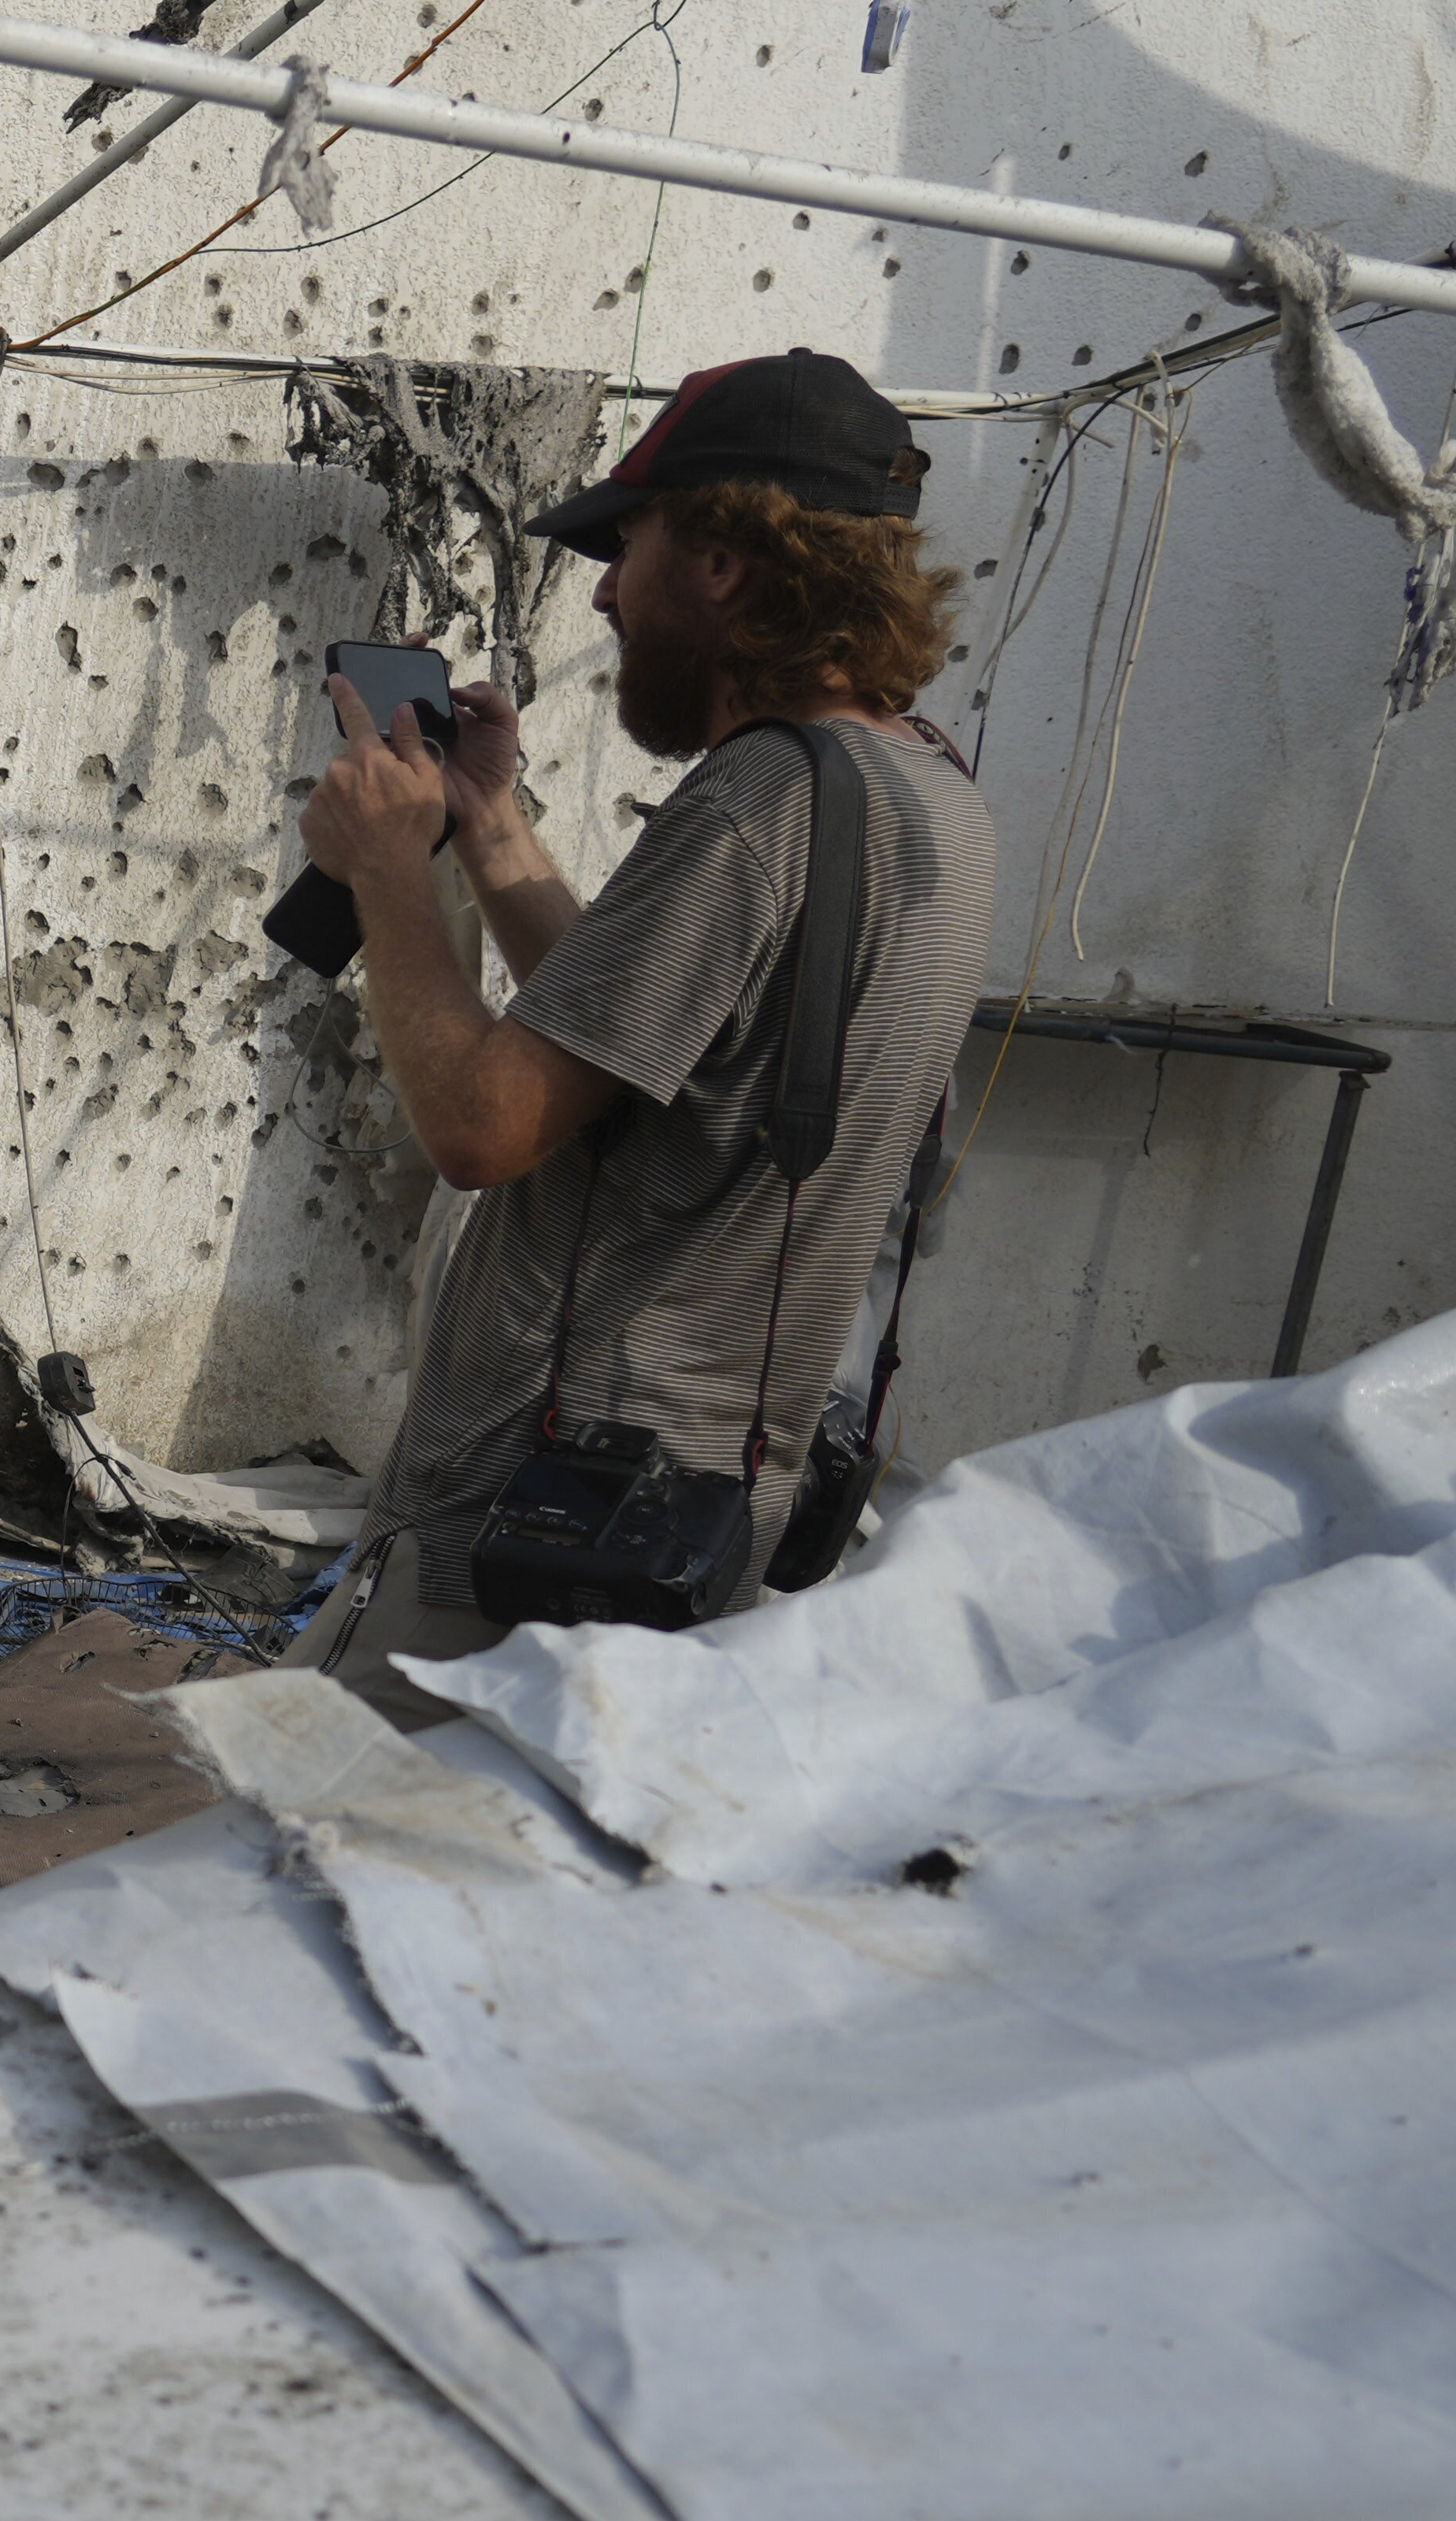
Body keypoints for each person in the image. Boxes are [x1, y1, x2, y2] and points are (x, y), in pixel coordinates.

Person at [294, 350, 995, 1692]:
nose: (606, 590)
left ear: (726, 562)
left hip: (544, 1519)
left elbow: (486, 1126)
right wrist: (489, 829)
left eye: (634, 544)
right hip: (701, 1516)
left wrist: (390, 871)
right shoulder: (924, 792)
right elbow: (643, 1057)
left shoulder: (756, 804)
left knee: (319, 1858)